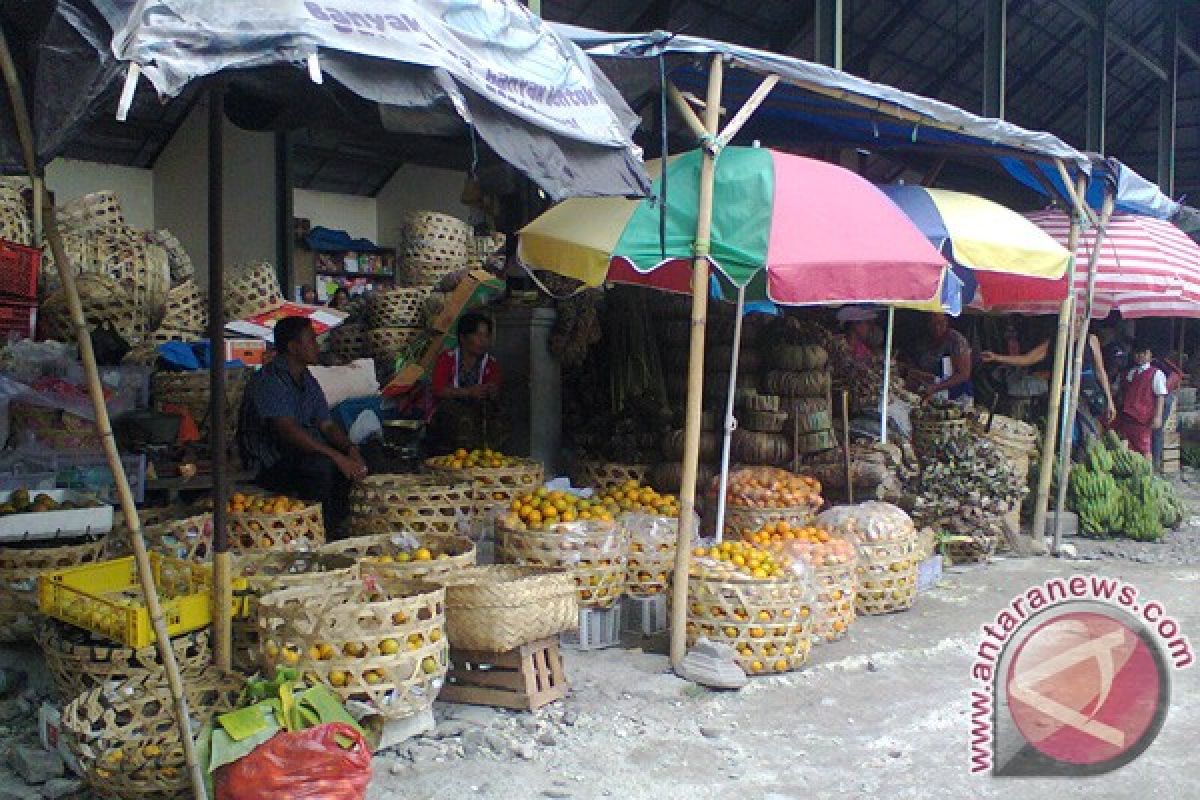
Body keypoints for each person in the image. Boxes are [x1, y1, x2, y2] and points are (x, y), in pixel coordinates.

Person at [238, 316, 368, 536]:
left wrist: (350, 450)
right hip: (272, 462)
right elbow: (288, 431)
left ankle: (341, 523)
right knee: (323, 467)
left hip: (304, 453)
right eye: (312, 340)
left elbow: (326, 424)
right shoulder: (269, 380)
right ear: (293, 347)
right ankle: (319, 531)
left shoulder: (307, 379)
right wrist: (338, 458)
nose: (317, 346)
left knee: (366, 455)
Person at [982, 330, 1116, 425]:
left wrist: (1110, 400)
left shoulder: (1091, 340)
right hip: (1062, 397)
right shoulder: (1055, 342)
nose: (1075, 325)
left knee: (1088, 436)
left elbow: (1100, 371)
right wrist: (996, 357)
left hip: (1088, 398)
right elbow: (1028, 359)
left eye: (1078, 320)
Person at [428, 312, 505, 454]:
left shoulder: (490, 363)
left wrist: (491, 391)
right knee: (460, 419)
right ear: (463, 338)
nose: (483, 341)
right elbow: (438, 389)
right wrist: (468, 392)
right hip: (449, 411)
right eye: (478, 335)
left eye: (486, 336)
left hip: (479, 409)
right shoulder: (447, 358)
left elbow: (495, 387)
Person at [1112, 340, 1169, 458]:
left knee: (1144, 447)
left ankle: (1148, 472)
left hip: (1143, 418)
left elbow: (1160, 396)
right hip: (1127, 416)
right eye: (1137, 353)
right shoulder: (1129, 373)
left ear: (1150, 355)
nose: (1140, 356)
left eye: (1144, 353)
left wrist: (1158, 417)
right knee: (1129, 447)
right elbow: (1119, 390)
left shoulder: (1156, 373)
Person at [913, 313, 973, 402]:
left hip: (957, 396)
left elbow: (964, 374)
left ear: (946, 321)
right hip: (932, 393)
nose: (937, 328)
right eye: (933, 324)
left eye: (940, 323)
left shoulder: (956, 340)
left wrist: (936, 387)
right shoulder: (926, 340)